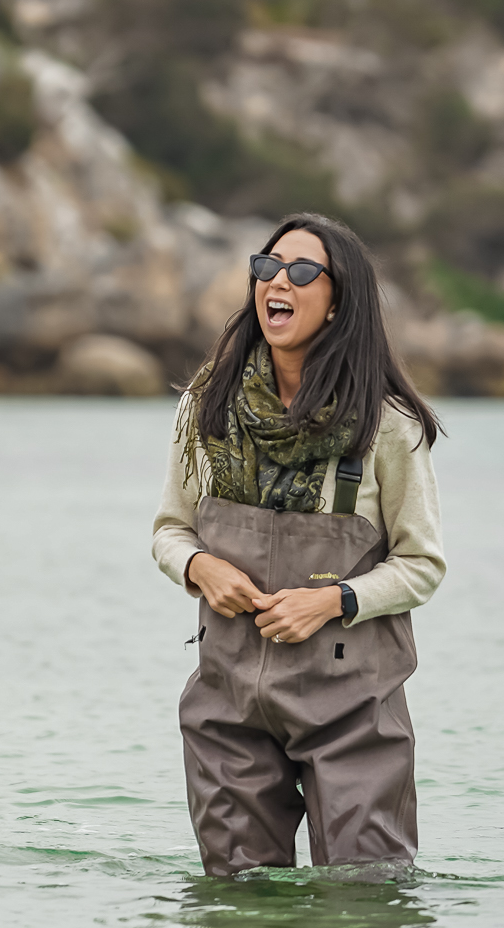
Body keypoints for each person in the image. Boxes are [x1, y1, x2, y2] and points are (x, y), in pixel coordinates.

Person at [152, 212, 445, 877]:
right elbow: (169, 530)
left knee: (365, 895)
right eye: (267, 266)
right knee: (238, 903)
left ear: (339, 299)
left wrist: (334, 601)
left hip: (352, 706)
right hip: (227, 701)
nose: (277, 281)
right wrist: (199, 568)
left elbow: (422, 565)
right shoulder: (207, 403)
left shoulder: (389, 424)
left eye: (303, 271)